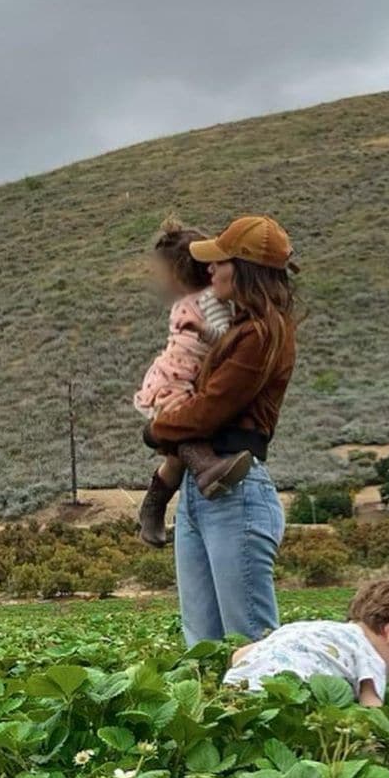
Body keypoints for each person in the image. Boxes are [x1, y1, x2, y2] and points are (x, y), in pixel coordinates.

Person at [147, 215, 298, 647]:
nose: (210, 271)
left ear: (246, 268)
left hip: (237, 492)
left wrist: (157, 429)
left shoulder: (263, 334)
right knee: (204, 648)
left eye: (220, 262)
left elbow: (208, 413)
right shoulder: (237, 329)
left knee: (249, 643)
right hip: (203, 491)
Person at [133, 219, 253, 548]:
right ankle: (208, 470)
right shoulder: (194, 301)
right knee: (182, 434)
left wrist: (201, 331)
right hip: (175, 379)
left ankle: (152, 511)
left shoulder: (210, 301)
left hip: (184, 377)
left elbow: (223, 338)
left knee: (175, 455)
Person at [223, 574, 389, 706]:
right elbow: (371, 708)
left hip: (233, 689)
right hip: (279, 702)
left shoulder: (311, 628)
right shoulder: (369, 653)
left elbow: (239, 654)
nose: (388, 675)